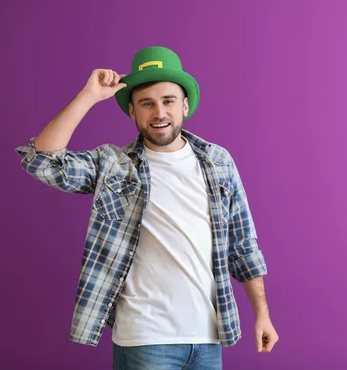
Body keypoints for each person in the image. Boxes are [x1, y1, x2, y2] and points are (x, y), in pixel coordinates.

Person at [15, 46, 278, 369]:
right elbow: (43, 162)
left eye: (168, 101)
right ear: (132, 112)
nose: (159, 113)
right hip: (144, 338)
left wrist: (262, 315)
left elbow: (243, 245)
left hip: (208, 336)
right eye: (146, 104)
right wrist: (88, 95)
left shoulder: (218, 162)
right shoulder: (113, 165)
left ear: (184, 106)